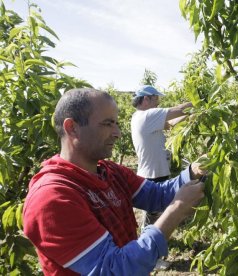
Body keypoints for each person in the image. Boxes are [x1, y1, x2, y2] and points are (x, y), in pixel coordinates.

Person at [23, 88, 205, 275]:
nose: (117, 133)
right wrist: (176, 211)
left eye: (116, 124)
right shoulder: (52, 198)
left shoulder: (111, 172)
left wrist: (194, 171)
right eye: (108, 124)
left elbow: (156, 195)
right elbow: (114, 269)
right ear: (72, 128)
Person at [130, 85, 192, 182]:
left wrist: (190, 115)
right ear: (146, 99)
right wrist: (200, 102)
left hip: (153, 175)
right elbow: (180, 109)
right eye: (156, 100)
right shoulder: (147, 116)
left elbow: (170, 124)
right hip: (152, 177)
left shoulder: (139, 117)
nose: (158, 104)